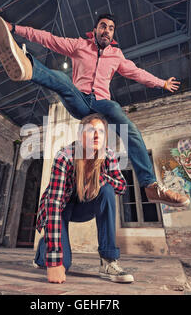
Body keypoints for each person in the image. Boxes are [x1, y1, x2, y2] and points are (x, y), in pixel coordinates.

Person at [0, 13, 190, 208]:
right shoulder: (79, 46)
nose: (107, 31)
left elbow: (136, 73)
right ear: (95, 30)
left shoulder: (117, 56)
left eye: (111, 29)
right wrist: (13, 28)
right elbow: (48, 39)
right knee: (64, 81)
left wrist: (160, 83)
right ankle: (28, 66)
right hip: (80, 101)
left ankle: (151, 186)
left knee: (126, 123)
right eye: (103, 26)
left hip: (102, 105)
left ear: (113, 34)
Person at [33, 113, 133, 284]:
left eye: (101, 131)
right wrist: (55, 262)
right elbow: (54, 204)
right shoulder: (64, 156)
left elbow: (122, 187)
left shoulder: (108, 156)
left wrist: (100, 178)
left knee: (107, 190)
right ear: (80, 135)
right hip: (60, 208)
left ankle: (108, 260)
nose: (96, 135)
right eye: (91, 130)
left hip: (84, 207)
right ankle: (44, 249)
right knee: (64, 263)